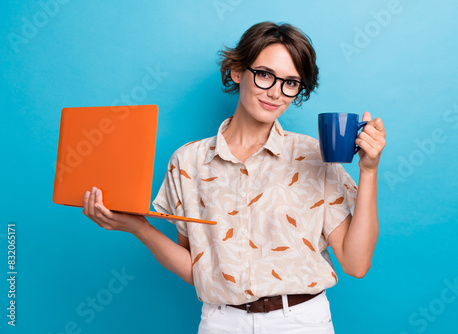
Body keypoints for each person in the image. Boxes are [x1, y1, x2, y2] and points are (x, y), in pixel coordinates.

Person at [83, 21, 386, 333]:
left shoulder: (315, 156)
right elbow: (198, 268)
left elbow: (356, 263)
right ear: (237, 71)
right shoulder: (188, 162)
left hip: (301, 322)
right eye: (265, 75)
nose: (276, 93)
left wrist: (369, 171)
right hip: (221, 322)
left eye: (291, 83)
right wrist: (139, 228)